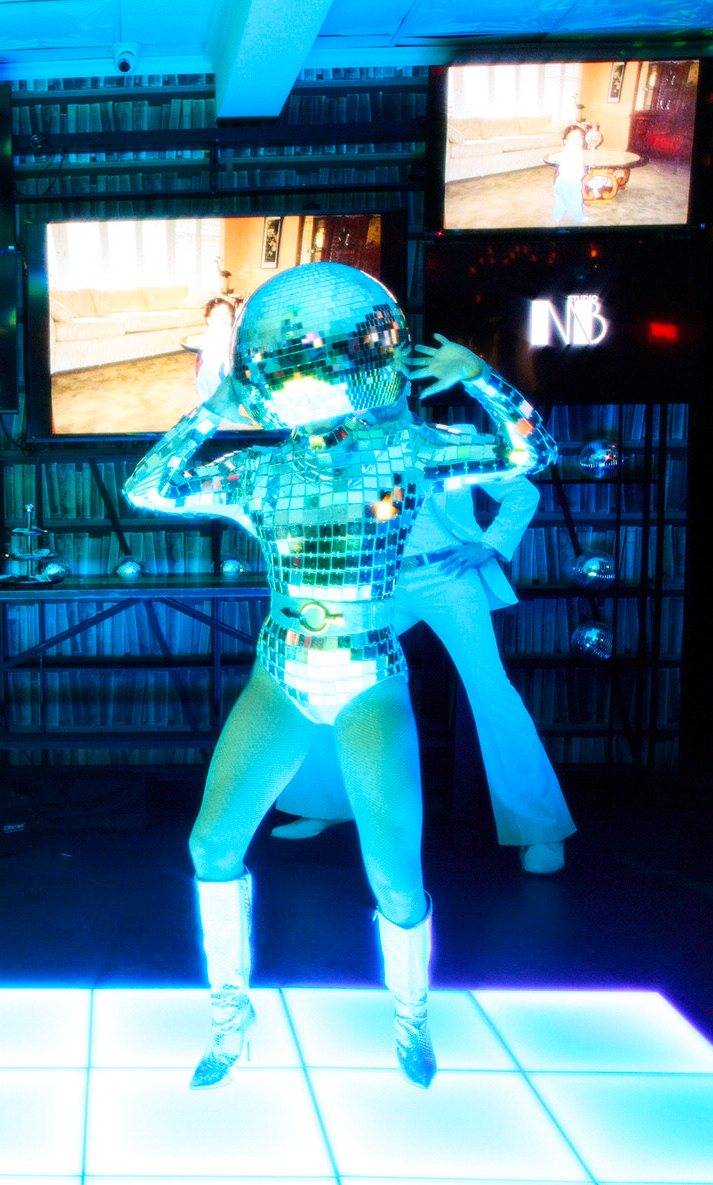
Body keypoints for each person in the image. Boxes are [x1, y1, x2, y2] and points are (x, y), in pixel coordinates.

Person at [125, 262, 555, 1091]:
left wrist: (481, 377)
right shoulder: (258, 471)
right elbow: (147, 488)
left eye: (320, 364)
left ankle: (412, 1017)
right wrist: (209, 412)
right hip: (280, 676)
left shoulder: (407, 451)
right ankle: (230, 1020)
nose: (307, 383)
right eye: (289, 367)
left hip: (368, 676)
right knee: (211, 844)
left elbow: (532, 451)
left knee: (395, 873)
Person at [268, 475, 577, 875]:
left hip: (449, 576)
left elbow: (522, 491)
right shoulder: (367, 453)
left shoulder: (454, 446)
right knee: (330, 673)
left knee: (492, 691)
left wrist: (489, 545)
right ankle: (324, 804)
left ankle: (541, 830)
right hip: (383, 583)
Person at [193, 297, 236, 403]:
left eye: (227, 314)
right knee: (217, 399)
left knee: (216, 399)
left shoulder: (228, 330)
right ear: (209, 320)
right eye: (218, 315)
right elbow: (225, 348)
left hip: (221, 369)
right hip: (213, 371)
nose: (224, 318)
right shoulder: (213, 332)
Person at [550, 123, 588, 226]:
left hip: (561, 180)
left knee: (561, 200)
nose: (577, 140)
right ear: (565, 142)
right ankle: (578, 217)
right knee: (575, 200)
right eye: (573, 138)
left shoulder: (572, 149)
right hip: (571, 182)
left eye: (579, 137)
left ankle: (557, 215)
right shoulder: (571, 151)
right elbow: (575, 161)